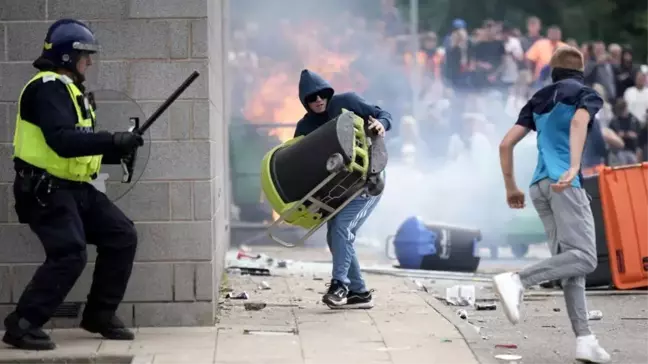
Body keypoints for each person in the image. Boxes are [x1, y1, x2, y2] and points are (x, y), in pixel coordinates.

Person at [2, 19, 144, 351]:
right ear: (68, 56)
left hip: (75, 188)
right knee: (69, 254)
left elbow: (77, 149)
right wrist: (112, 140)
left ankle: (99, 316)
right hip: (45, 190)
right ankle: (22, 325)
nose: (89, 63)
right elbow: (63, 142)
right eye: (85, 56)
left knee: (121, 235)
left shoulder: (70, 90)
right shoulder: (47, 86)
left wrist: (117, 147)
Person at [495, 46, 611, 363]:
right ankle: (518, 280)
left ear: (553, 72)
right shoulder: (587, 94)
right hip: (565, 183)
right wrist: (574, 166)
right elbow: (577, 125)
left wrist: (510, 187)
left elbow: (506, 143)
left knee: (571, 265)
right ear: (580, 72)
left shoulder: (539, 99)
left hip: (538, 186)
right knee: (586, 257)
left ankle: (585, 339)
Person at [294, 69, 392, 309]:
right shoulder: (305, 126)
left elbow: (382, 114)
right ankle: (359, 293)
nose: (318, 100)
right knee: (335, 235)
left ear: (327, 93)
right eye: (311, 98)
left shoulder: (346, 102)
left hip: (368, 181)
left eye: (321, 95)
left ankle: (340, 285)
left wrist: (381, 124)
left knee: (341, 228)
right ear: (305, 101)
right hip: (338, 190)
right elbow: (299, 160)